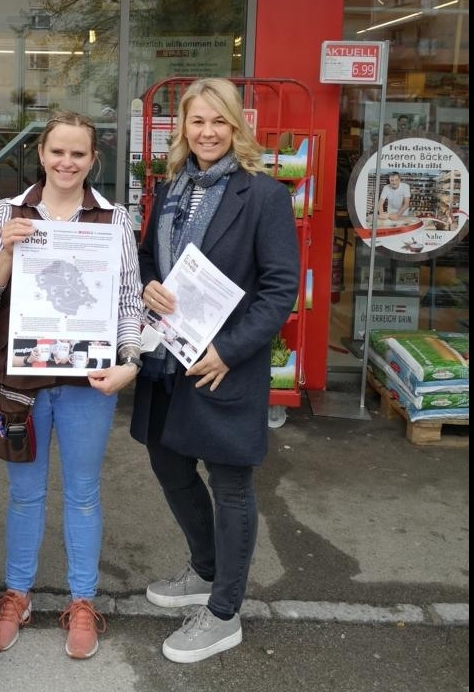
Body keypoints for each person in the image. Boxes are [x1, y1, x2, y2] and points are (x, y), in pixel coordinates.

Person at [128, 78, 300, 664]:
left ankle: (224, 611)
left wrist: (230, 351)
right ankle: (205, 570)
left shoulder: (264, 196)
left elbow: (280, 290)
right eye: (197, 121)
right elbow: (150, 253)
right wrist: (150, 280)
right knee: (169, 463)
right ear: (183, 127)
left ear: (236, 127)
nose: (207, 132)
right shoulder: (171, 189)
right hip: (166, 358)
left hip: (223, 365)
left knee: (230, 485)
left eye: (218, 122)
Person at [0, 111, 144, 660]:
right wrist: (5, 250)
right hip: (20, 380)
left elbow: (126, 301)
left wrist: (129, 360)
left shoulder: (114, 220)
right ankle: (18, 594)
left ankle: (81, 599)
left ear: (93, 160)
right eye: (57, 152)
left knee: (83, 493)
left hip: (85, 381)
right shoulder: (7, 212)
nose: (66, 162)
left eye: (78, 154)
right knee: (24, 495)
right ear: (41, 155)